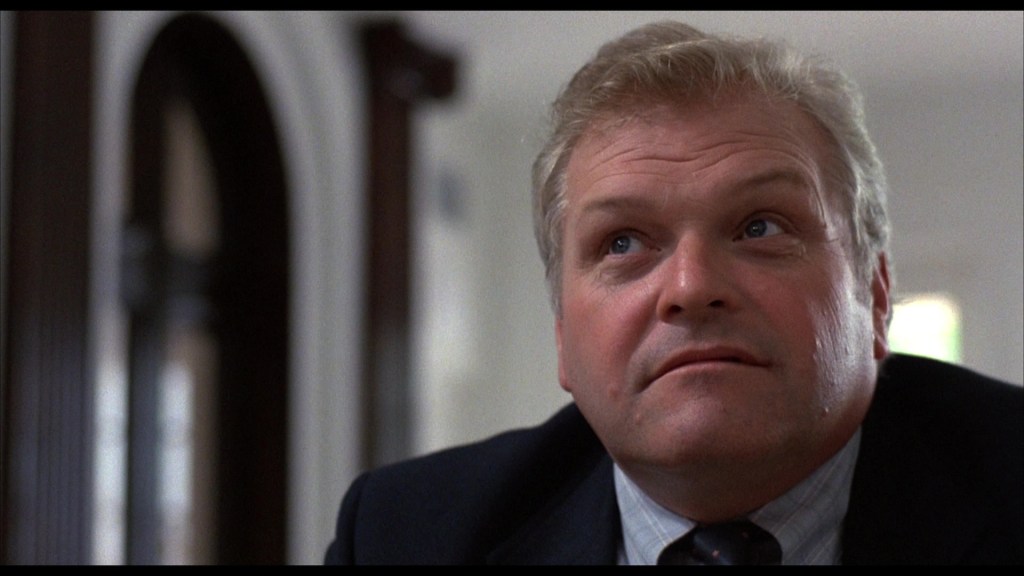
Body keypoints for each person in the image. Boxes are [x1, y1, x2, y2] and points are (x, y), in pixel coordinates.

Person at [324, 20, 1023, 565]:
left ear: (875, 296)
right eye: (623, 243)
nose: (690, 288)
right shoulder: (407, 536)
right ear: (563, 336)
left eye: (759, 227)